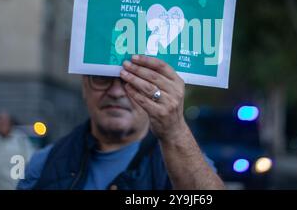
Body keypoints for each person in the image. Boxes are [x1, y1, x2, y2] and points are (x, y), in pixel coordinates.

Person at [18, 55, 225, 190]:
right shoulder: (42, 164)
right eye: (101, 78)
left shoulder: (186, 165)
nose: (116, 92)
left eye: (132, 81)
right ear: (84, 86)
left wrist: (174, 130)